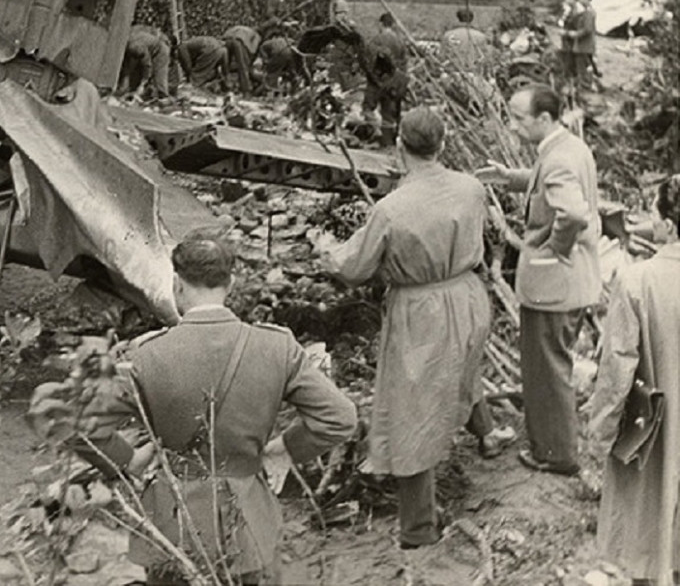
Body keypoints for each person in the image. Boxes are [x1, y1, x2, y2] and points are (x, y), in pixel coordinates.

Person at [36, 230, 357, 584]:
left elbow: (72, 420)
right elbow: (340, 418)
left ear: (177, 285)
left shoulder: (146, 354)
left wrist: (128, 460)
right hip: (248, 526)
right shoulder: (277, 347)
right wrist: (282, 450)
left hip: (172, 521)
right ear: (230, 284)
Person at [313, 107, 514, 549]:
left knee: (412, 410)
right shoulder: (471, 187)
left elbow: (355, 268)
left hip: (422, 310)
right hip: (468, 296)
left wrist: (327, 251)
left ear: (400, 147)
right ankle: (488, 435)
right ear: (443, 145)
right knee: (462, 365)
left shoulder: (391, 208)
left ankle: (418, 529)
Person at [475, 83, 601, 476]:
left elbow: (574, 214)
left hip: (554, 285)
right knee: (551, 367)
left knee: (548, 372)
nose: (512, 126)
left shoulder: (559, 159)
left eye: (518, 118)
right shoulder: (568, 147)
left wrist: (553, 249)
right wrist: (512, 177)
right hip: (570, 283)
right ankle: (555, 445)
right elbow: (549, 182)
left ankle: (556, 454)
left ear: (544, 119)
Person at [587, 174, 679, 586]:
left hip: (661, 435)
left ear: (668, 224)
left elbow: (617, 369)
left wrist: (602, 434)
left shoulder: (639, 280)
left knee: (649, 539)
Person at [362, 13, 409, 146]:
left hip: (376, 81)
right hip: (393, 83)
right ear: (393, 25)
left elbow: (368, 61)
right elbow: (404, 64)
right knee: (388, 115)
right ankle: (387, 143)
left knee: (368, 108)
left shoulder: (375, 40)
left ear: (381, 24)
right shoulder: (400, 41)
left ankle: (373, 133)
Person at [119, 24, 172, 99]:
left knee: (159, 78)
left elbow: (147, 65)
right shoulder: (130, 38)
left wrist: (142, 84)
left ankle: (162, 99)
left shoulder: (135, 46)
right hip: (149, 46)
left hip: (160, 51)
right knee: (134, 75)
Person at [565, 0, 599, 89]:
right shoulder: (586, 11)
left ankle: (585, 87)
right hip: (583, 45)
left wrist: (575, 34)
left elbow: (587, 29)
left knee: (583, 68)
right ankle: (586, 84)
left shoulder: (588, 12)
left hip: (584, 45)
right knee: (584, 67)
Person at [222, 25, 262, 94]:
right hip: (238, 41)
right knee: (243, 67)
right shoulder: (256, 35)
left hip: (226, 40)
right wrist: (249, 62)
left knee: (225, 64)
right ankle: (245, 90)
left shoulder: (240, 27)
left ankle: (224, 85)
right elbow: (252, 50)